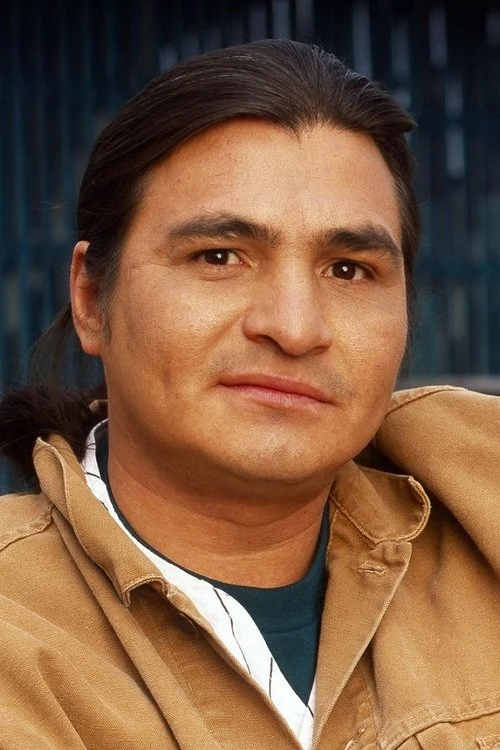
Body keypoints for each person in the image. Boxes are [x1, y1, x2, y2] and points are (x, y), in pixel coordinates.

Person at [0, 38, 498, 750]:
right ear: (90, 298)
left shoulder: (473, 489)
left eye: (349, 269)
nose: (295, 329)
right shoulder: (18, 632)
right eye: (219, 257)